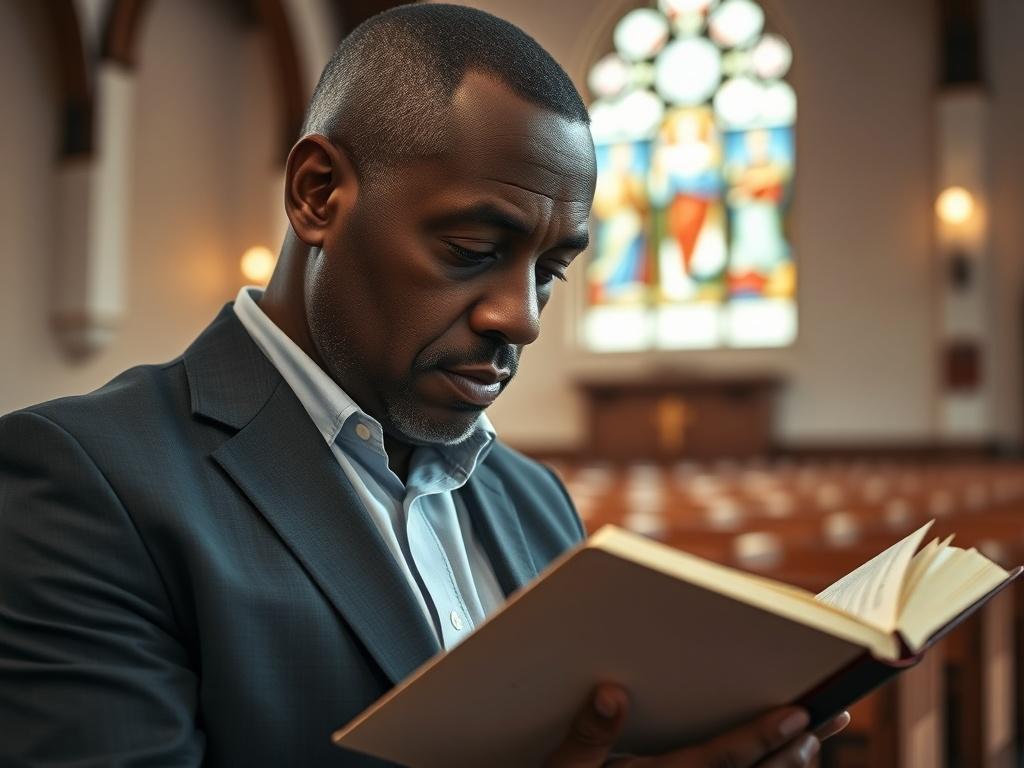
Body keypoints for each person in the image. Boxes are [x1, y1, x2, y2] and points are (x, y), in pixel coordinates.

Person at [0, 4, 847, 766]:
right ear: (318, 193)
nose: (521, 319)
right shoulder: (86, 482)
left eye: (549, 271)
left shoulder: (533, 500)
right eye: (472, 249)